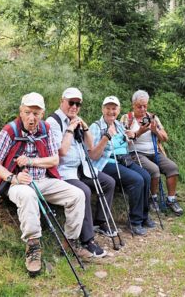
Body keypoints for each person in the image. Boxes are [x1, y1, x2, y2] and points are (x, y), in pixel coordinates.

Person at [0, 92, 87, 276]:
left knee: (77, 195)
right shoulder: (9, 131)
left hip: (43, 180)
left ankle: (70, 242)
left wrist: (32, 162)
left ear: (42, 113)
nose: (31, 118)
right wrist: (14, 178)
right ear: (21, 111)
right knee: (28, 195)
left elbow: (54, 159)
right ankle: (33, 246)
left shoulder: (46, 129)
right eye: (27, 112)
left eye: (36, 113)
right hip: (18, 184)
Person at [46, 87, 116, 258]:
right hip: (63, 172)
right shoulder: (53, 122)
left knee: (108, 182)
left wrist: (84, 129)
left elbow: (90, 147)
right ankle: (88, 240)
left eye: (78, 104)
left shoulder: (76, 119)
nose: (75, 107)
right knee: (83, 192)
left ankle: (100, 222)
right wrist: (70, 128)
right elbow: (61, 151)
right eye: (71, 102)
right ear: (62, 101)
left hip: (81, 168)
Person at [89, 96, 155, 236]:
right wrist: (106, 137)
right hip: (106, 162)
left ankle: (144, 216)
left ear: (118, 110)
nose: (111, 111)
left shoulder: (119, 125)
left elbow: (126, 143)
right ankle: (135, 221)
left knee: (146, 176)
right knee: (136, 180)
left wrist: (131, 136)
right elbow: (93, 155)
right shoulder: (96, 127)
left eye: (114, 108)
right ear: (103, 109)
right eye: (108, 108)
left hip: (124, 159)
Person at [120, 90, 184, 216]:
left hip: (155, 152)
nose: (143, 109)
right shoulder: (127, 118)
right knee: (154, 169)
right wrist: (140, 132)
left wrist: (155, 131)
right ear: (133, 105)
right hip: (135, 153)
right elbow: (123, 141)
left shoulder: (152, 117)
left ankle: (171, 199)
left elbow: (165, 138)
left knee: (172, 168)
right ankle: (152, 198)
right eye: (139, 106)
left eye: (145, 106)